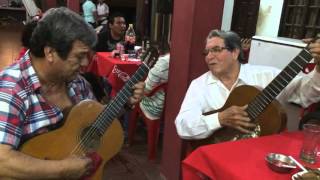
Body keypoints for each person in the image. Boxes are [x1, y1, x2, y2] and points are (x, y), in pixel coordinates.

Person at [0, 7, 144, 179]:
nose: (85, 63)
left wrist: (124, 102)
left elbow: (94, 123)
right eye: (79, 56)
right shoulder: (11, 88)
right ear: (50, 52)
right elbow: (3, 160)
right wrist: (61, 169)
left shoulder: (77, 82)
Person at [175, 29, 320, 140]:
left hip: (261, 153)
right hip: (220, 151)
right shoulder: (199, 85)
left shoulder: (266, 75)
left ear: (235, 52)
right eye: (206, 52)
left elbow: (307, 94)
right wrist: (219, 119)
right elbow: (182, 125)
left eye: (216, 50)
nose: (209, 57)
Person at [139, 53, 170, 120]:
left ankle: (127, 128)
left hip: (156, 107)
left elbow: (146, 89)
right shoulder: (183, 58)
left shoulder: (165, 61)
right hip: (174, 106)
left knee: (128, 94)